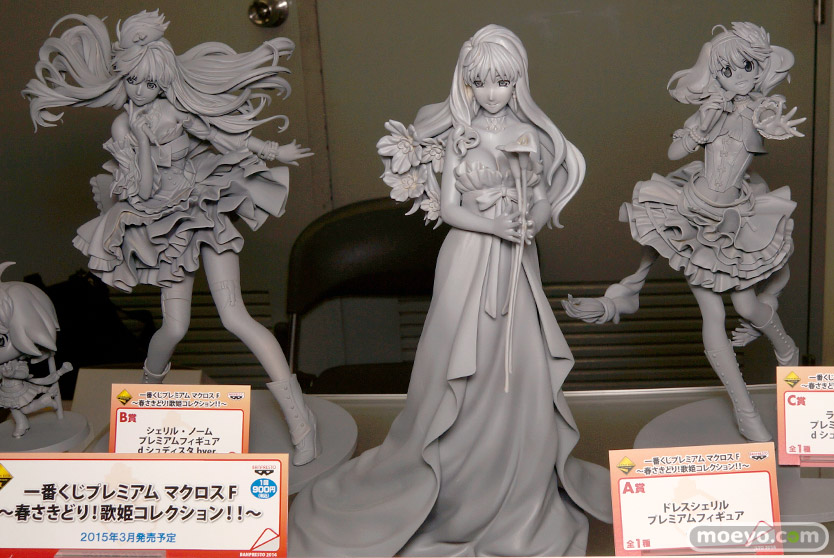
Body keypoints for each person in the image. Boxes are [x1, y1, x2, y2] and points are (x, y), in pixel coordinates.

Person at [288, 24, 611, 557]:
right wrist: (495, 225)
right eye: (480, 82)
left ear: (518, 80)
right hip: (468, 257)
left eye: (502, 82)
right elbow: (451, 209)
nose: (491, 93)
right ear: (466, 82)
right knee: (462, 362)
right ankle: (455, 473)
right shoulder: (460, 137)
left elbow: (544, 196)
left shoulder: (532, 134)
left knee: (519, 364)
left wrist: (531, 218)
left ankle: (515, 470)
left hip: (516, 260)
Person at [23, 10, 317, 464]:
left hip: (205, 208)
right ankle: (145, 404)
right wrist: (142, 143)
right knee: (174, 327)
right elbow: (142, 190)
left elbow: (222, 135)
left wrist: (274, 149)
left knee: (235, 316)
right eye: (134, 81)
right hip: (164, 223)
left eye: (150, 83)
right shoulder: (124, 126)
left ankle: (301, 422)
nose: (141, 91)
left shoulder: (177, 109)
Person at [564, 22, 804, 442]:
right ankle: (746, 411)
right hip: (694, 211)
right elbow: (675, 151)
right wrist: (701, 126)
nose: (739, 76)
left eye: (748, 66)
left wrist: (773, 125)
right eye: (727, 70)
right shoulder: (710, 109)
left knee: (746, 305)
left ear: (760, 66)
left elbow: (769, 118)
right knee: (713, 314)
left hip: (734, 216)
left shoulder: (761, 107)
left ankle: (786, 348)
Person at [0, 263, 72, 438]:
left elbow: (24, 374)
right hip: (7, 391)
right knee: (14, 408)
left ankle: (44, 402)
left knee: (22, 408)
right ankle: (23, 422)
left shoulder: (17, 363)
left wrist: (12, 373)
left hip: (18, 389)